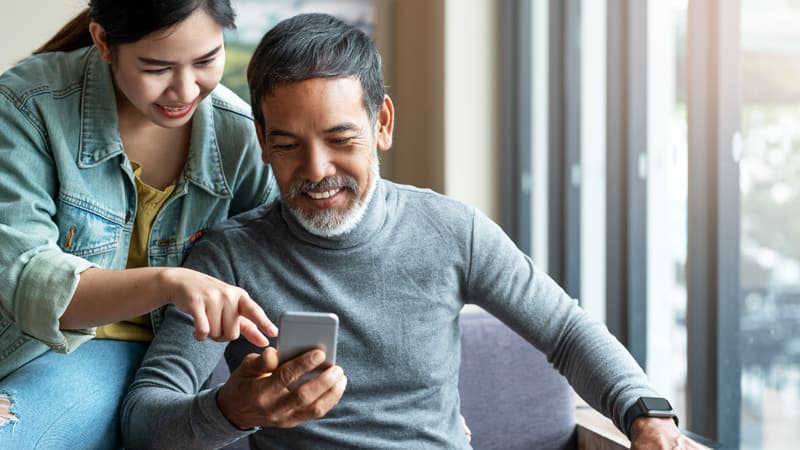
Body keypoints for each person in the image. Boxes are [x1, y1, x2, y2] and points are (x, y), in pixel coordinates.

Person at [121, 12, 704, 450]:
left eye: (341, 139)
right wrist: (235, 409)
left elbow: (567, 331)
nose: (317, 171)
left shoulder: (451, 231)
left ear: (382, 124)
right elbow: (145, 419)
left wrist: (645, 412)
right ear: (261, 143)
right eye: (288, 145)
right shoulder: (228, 259)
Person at [0, 1, 280, 448]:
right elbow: (29, 281)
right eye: (157, 68)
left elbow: (289, 257)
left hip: (178, 360)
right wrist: (171, 283)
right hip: (54, 347)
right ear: (102, 42)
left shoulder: (238, 135)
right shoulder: (28, 104)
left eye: (206, 60)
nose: (186, 89)